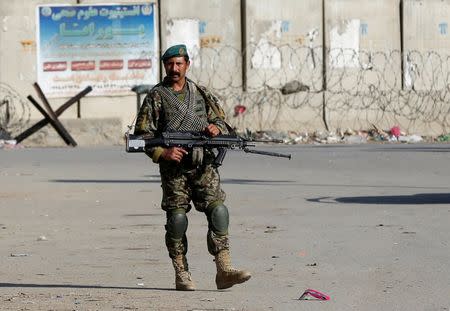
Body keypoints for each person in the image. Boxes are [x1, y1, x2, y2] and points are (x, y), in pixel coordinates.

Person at [133, 44, 251, 291]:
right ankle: (181, 272)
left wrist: (216, 127)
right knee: (177, 219)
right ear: (164, 66)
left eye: (179, 64)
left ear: (187, 64)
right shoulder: (156, 97)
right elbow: (141, 137)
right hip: (174, 170)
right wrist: (163, 152)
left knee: (219, 211)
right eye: (170, 64)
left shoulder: (201, 93)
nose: (174, 69)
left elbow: (220, 119)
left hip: (203, 165)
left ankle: (224, 269)